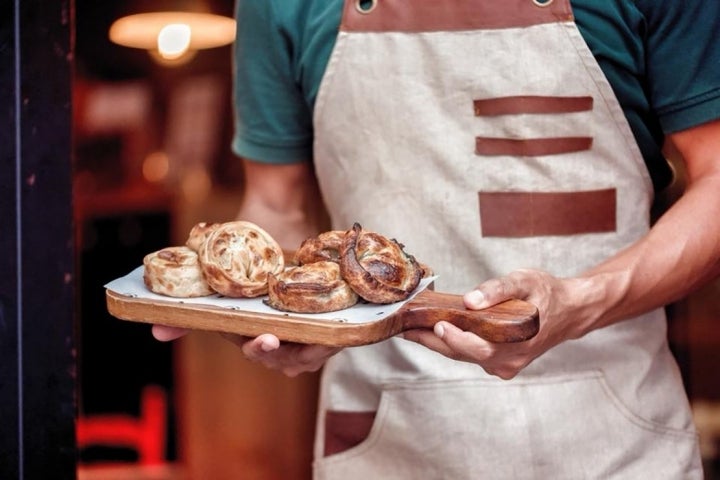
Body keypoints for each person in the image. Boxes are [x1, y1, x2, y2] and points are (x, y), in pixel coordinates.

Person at [153, 0, 720, 477]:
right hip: (383, 439)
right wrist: (268, 311)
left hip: (616, 442)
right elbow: (277, 204)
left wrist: (584, 299)